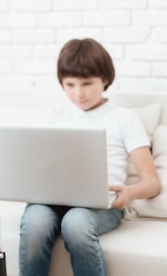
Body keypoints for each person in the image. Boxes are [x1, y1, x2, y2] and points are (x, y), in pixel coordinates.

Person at [18, 38, 160, 276]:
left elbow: (152, 182)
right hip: (51, 201)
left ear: (105, 79)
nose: (78, 93)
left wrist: (130, 192)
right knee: (35, 223)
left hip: (102, 204)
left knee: (76, 223)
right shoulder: (51, 116)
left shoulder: (125, 119)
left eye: (87, 83)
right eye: (70, 84)